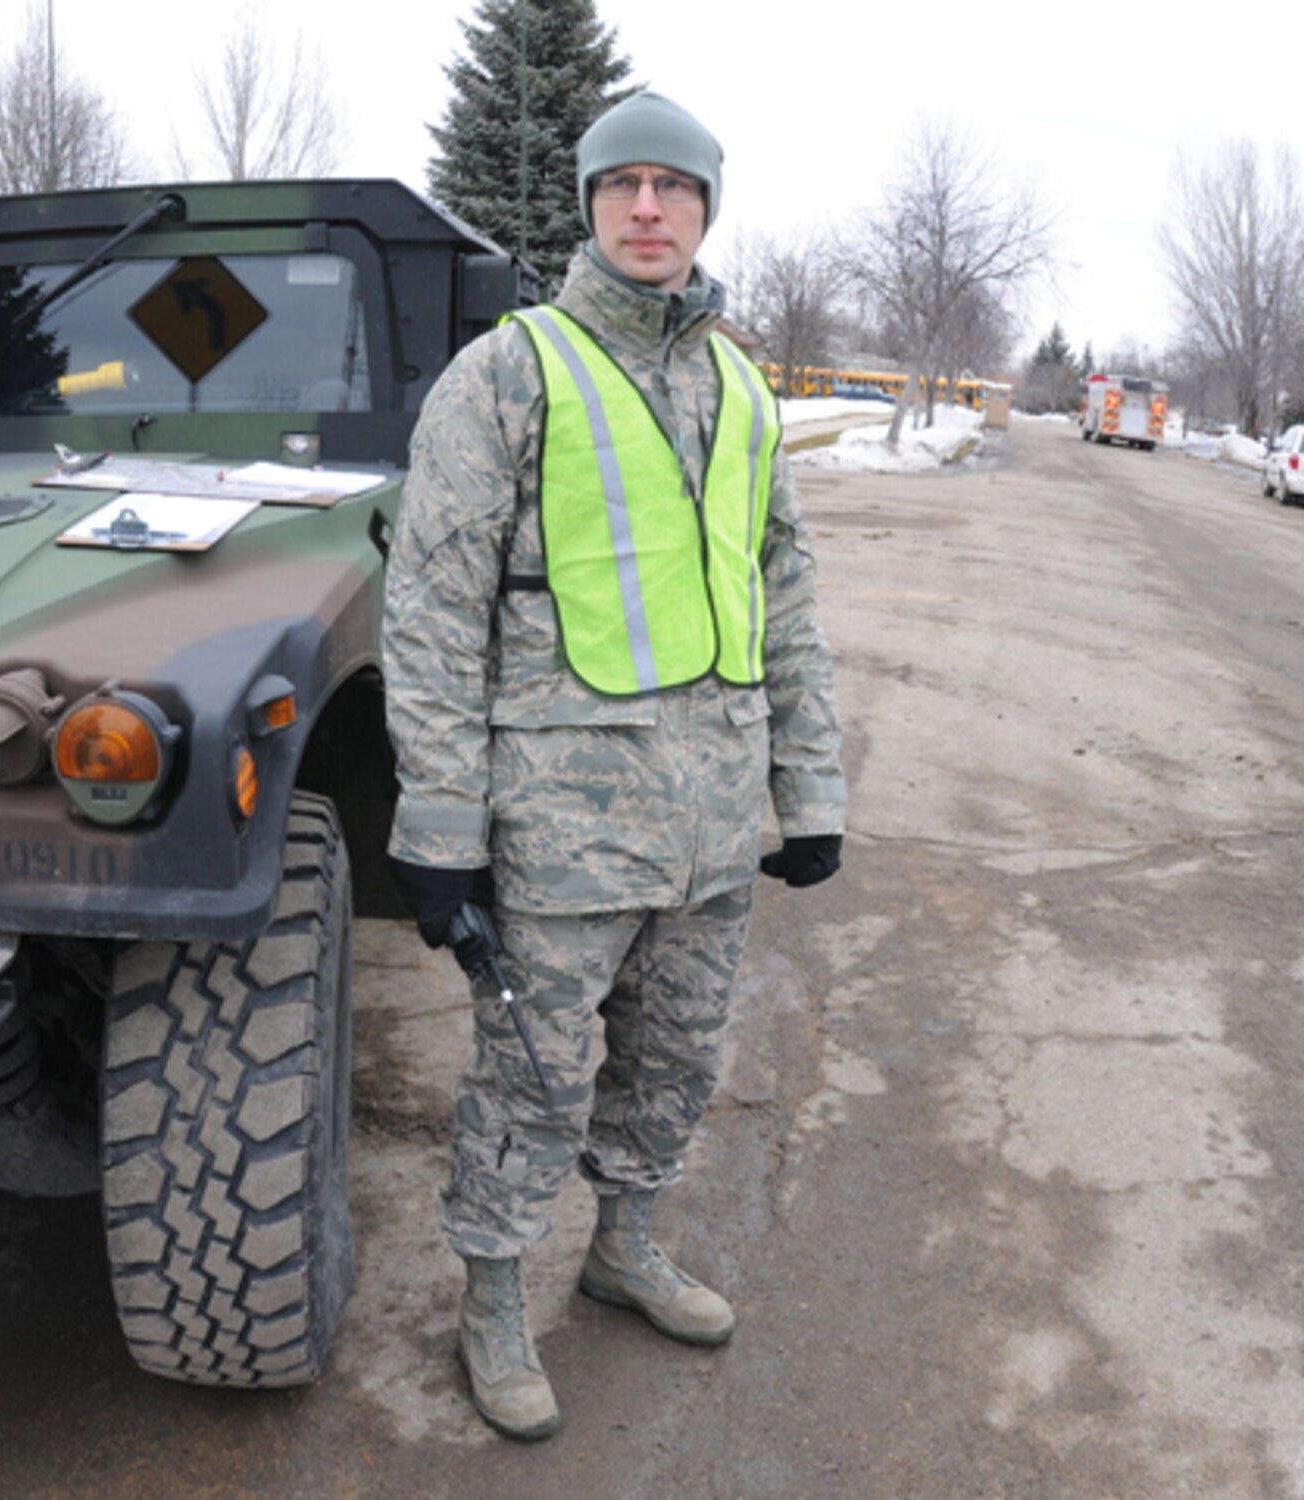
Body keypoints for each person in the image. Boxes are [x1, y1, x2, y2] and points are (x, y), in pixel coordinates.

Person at [381, 91, 847, 1441]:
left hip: (709, 828)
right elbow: (431, 611)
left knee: (676, 1060)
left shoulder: (745, 387)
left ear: (706, 209)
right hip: (560, 832)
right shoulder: (510, 372)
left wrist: (807, 794)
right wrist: (441, 824)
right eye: (623, 183)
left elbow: (791, 602)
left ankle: (624, 1245)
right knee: (531, 1078)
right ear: (589, 204)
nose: (649, 208)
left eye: (675, 186)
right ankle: (491, 1301)